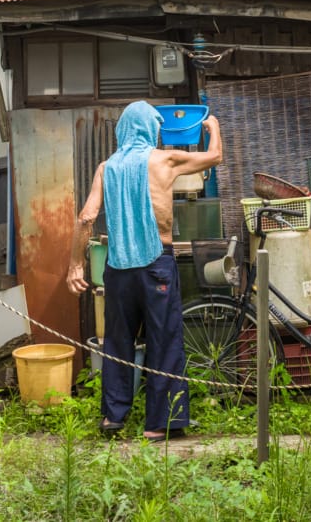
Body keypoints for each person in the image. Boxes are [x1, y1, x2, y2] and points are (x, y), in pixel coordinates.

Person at [66, 101, 222, 441]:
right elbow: (214, 157)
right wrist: (213, 128)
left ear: (123, 130)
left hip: (119, 266)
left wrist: (75, 265)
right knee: (163, 340)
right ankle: (159, 424)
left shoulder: (107, 168)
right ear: (151, 130)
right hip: (156, 265)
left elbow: (86, 217)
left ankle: (113, 418)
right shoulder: (164, 159)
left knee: (118, 342)